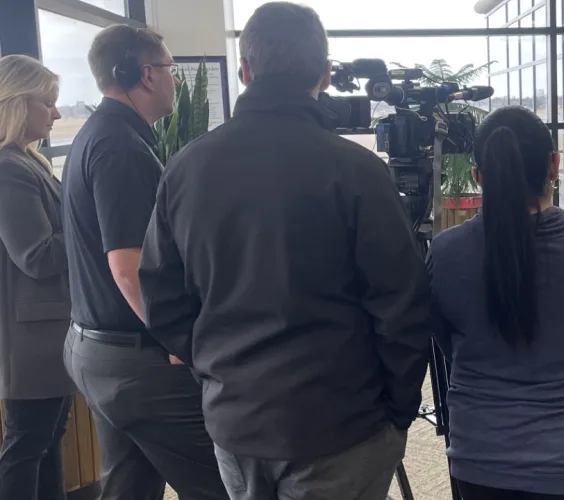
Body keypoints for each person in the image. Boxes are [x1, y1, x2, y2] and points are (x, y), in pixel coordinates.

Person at [137, 3, 430, 499]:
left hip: (236, 421)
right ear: (325, 73)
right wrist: (398, 411)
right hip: (342, 424)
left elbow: (161, 299)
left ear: (244, 71)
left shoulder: (185, 168)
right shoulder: (358, 171)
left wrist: (218, 370)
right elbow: (402, 305)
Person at [427, 105, 564, 500]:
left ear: (478, 176)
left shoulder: (445, 253)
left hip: (481, 461)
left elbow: (448, 347)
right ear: (554, 165)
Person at [60, 25, 227, 500]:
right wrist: (180, 339)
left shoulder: (100, 133)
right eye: (171, 69)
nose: (175, 79)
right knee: (226, 482)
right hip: (135, 364)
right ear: (147, 75)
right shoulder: (120, 147)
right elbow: (127, 265)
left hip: (97, 351)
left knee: (129, 487)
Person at [0, 54, 75, 500]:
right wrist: (86, 227)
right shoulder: (9, 169)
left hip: (45, 332)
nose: (57, 114)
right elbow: (37, 256)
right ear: (17, 103)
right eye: (48, 103)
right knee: (28, 444)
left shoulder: (27, 162)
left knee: (44, 440)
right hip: (32, 338)